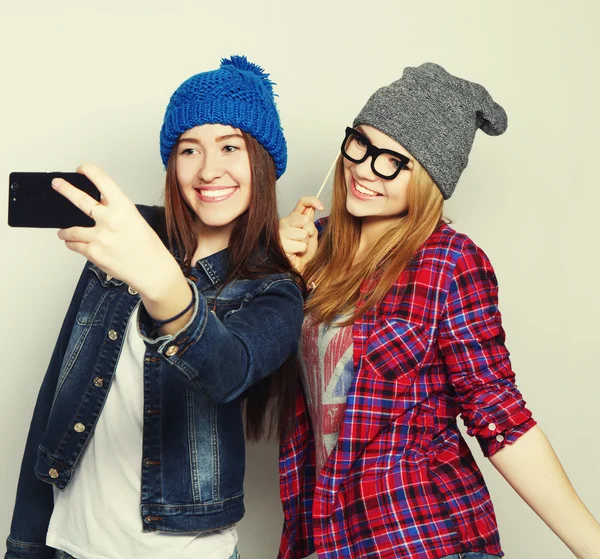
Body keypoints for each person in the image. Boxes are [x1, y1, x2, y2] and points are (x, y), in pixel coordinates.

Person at [278, 63, 600, 558]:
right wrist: (284, 275)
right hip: (322, 537)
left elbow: (499, 414)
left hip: (418, 534)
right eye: (359, 144)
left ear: (429, 178)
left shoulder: (449, 262)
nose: (364, 169)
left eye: (393, 162)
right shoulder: (315, 249)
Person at [5, 55, 304, 559]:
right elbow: (57, 392)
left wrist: (163, 283)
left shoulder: (273, 289)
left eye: (230, 147)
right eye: (190, 149)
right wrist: (26, 541)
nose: (209, 169)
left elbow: (227, 369)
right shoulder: (126, 239)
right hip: (69, 544)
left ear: (262, 162)